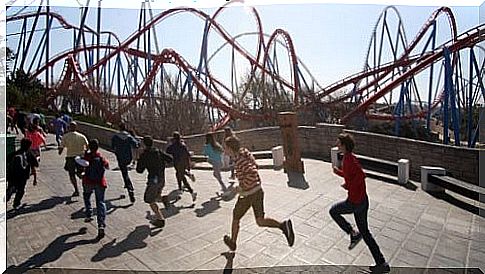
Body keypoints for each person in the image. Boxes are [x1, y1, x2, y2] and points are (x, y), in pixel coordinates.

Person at [330, 133, 390, 273]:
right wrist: (339, 173)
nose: (337, 144)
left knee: (333, 211)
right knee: (366, 233)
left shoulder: (349, 160)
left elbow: (361, 175)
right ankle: (382, 263)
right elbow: (352, 176)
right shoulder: (349, 158)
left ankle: (352, 232)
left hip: (355, 202)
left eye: (338, 143)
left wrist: (348, 185)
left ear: (344, 145)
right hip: (362, 200)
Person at [222, 135, 294, 251]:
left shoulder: (240, 160)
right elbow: (255, 166)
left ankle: (233, 243)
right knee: (260, 221)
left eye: (225, 148)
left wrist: (239, 188)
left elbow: (251, 174)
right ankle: (283, 225)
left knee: (236, 217)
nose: (223, 150)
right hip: (257, 191)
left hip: (248, 194)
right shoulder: (244, 154)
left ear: (230, 148)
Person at [136, 136, 173, 228]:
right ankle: (163, 200)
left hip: (153, 180)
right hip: (162, 179)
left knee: (148, 199)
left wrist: (139, 157)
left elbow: (139, 170)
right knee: (155, 197)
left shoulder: (145, 155)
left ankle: (160, 219)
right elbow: (170, 159)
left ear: (144, 144)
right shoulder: (158, 151)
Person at [82, 139, 109, 238]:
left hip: (88, 181)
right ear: (98, 147)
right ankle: (101, 224)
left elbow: (81, 165)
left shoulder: (86, 156)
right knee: (100, 202)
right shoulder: (101, 157)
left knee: (86, 195)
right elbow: (107, 166)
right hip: (100, 182)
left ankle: (88, 212)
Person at [6, 138, 39, 209]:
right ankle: (16, 204)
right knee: (20, 190)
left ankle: (5, 200)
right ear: (29, 146)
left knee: (10, 189)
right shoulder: (29, 154)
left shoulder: (15, 153)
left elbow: (6, 161)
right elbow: (35, 165)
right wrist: (35, 179)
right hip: (23, 176)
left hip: (12, 176)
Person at [111, 123, 140, 203]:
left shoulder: (115, 137)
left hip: (120, 157)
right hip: (128, 158)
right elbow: (136, 145)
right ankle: (127, 184)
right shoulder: (129, 137)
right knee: (125, 172)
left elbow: (113, 147)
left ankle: (129, 188)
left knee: (125, 173)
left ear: (119, 128)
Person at [58, 121, 88, 197]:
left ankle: (76, 190)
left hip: (70, 157)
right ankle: (84, 181)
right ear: (76, 127)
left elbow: (61, 149)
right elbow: (87, 146)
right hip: (80, 157)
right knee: (80, 172)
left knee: (71, 174)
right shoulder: (82, 136)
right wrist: (84, 152)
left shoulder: (65, 136)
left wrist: (60, 151)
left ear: (69, 127)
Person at [166, 131, 197, 202]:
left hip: (177, 163)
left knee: (182, 178)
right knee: (178, 175)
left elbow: (167, 151)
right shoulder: (183, 145)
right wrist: (188, 165)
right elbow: (187, 155)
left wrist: (171, 143)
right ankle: (180, 188)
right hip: (183, 163)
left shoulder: (173, 146)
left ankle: (192, 192)